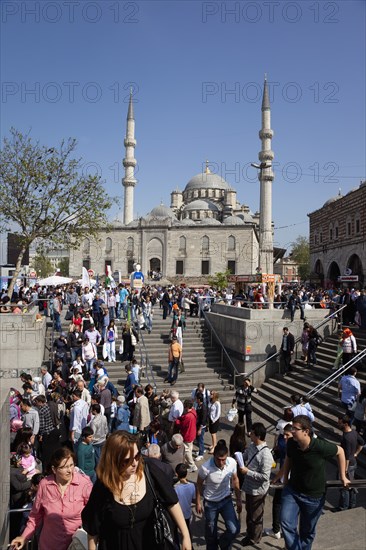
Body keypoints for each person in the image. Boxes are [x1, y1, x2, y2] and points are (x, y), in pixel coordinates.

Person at [81, 431, 192, 550]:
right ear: (113, 460)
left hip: (150, 543)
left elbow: (172, 501)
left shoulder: (150, 472)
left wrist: (185, 535)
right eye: (127, 460)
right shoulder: (103, 487)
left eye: (137, 456)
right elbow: (93, 531)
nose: (134, 463)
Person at [280, 415, 349, 550]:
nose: (292, 430)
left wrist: (343, 476)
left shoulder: (319, 446)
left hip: (313, 496)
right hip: (293, 490)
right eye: (292, 427)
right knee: (286, 522)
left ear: (306, 431)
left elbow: (340, 451)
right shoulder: (292, 443)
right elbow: (289, 458)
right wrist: (285, 478)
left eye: (295, 428)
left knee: (307, 531)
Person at [10, 447, 92, 550]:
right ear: (54, 469)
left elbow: (94, 515)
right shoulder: (44, 485)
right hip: (49, 545)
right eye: (64, 467)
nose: (70, 470)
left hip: (76, 544)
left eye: (71, 465)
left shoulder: (84, 484)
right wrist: (24, 537)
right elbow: (35, 516)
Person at [196, 439, 242, 550]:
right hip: (210, 504)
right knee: (211, 533)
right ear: (214, 456)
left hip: (226, 500)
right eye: (218, 459)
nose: (221, 462)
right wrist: (198, 502)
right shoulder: (205, 468)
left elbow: (235, 480)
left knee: (234, 529)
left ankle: (223, 543)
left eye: (223, 459)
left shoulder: (232, 463)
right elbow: (199, 484)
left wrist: (239, 500)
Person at [238, 422, 274, 546]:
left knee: (256, 516)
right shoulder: (252, 445)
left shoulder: (266, 455)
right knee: (249, 512)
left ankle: (255, 539)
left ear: (258, 436)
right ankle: (249, 534)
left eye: (252, 433)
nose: (249, 434)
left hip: (258, 491)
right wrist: (237, 458)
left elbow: (265, 477)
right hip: (249, 487)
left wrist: (248, 472)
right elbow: (245, 455)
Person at [263, 423, 293, 540]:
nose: (284, 437)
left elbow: (285, 466)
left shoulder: (291, 448)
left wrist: (275, 478)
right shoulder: (291, 446)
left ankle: (276, 530)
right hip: (288, 481)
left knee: (278, 505)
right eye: (284, 435)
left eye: (287, 435)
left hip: (286, 482)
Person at [337, 414, 364, 511]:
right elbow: (362, 443)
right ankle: (352, 504)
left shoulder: (347, 437)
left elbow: (347, 456)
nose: (338, 424)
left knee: (344, 486)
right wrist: (356, 453)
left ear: (345, 424)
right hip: (353, 462)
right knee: (351, 485)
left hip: (347, 464)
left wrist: (344, 470)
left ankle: (343, 506)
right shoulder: (354, 432)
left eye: (340, 423)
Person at [174, 463, 195, 546]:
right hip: (187, 513)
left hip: (178, 514)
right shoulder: (192, 486)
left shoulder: (175, 488)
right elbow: (193, 499)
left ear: (176, 474)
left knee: (175, 530)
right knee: (187, 530)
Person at [174, 399, 197, 473]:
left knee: (187, 450)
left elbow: (182, 425)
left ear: (186, 407)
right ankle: (190, 462)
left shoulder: (188, 416)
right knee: (189, 448)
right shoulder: (193, 412)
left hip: (187, 434)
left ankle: (192, 465)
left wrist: (177, 421)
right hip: (192, 433)